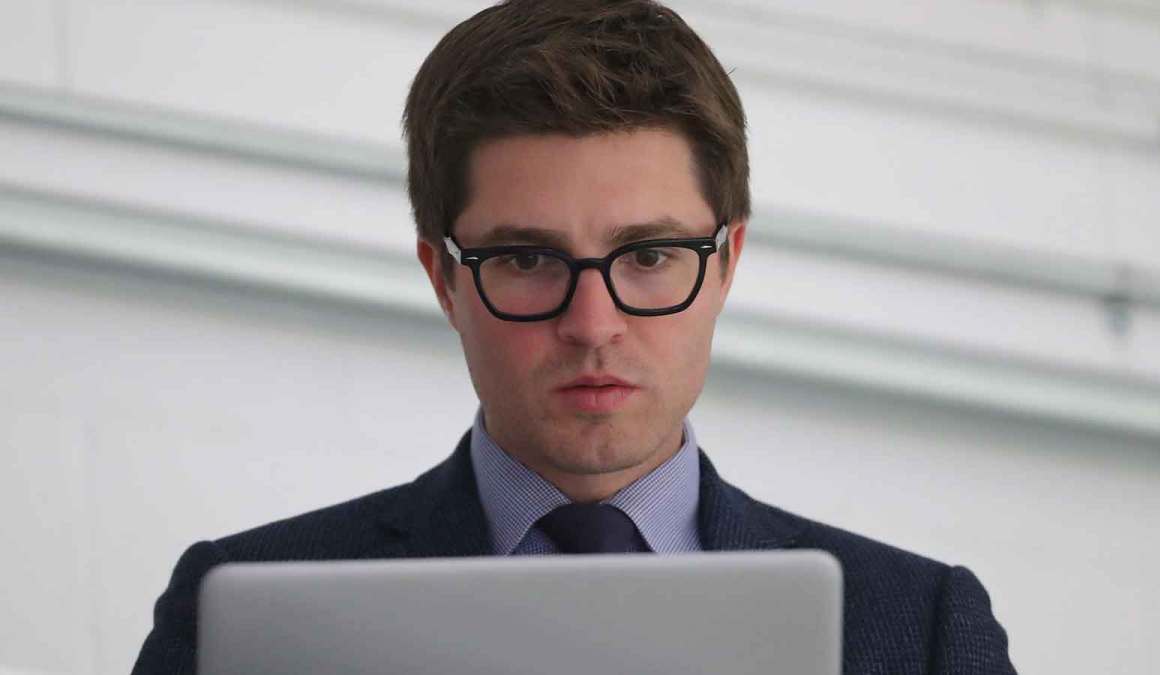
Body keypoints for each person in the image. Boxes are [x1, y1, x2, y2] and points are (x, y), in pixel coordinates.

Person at [133, 1, 1017, 673]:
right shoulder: (235, 615)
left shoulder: (917, 628)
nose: (592, 326)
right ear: (443, 277)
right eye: (526, 259)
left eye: (650, 255)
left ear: (726, 260)